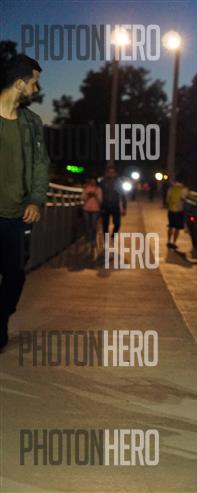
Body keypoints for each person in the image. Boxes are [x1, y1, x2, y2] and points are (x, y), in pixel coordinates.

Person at [0, 54, 49, 350]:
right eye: (34, 83)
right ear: (20, 84)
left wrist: (36, 200)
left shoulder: (32, 122)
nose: (36, 90)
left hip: (18, 216)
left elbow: (41, 164)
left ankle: (1, 317)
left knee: (15, 276)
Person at [100, 166, 127, 236]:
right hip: (105, 206)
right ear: (107, 173)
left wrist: (124, 208)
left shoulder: (119, 183)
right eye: (109, 172)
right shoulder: (103, 182)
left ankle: (113, 234)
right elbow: (99, 193)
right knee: (105, 225)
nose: (111, 174)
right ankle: (106, 239)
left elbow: (123, 195)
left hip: (115, 206)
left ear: (115, 173)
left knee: (117, 223)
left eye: (112, 172)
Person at [80, 177, 102, 259]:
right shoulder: (86, 188)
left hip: (95, 210)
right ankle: (88, 241)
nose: (92, 182)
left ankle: (93, 241)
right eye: (91, 181)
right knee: (87, 226)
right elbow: (82, 198)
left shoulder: (98, 189)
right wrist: (87, 194)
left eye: (94, 181)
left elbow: (101, 200)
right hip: (86, 209)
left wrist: (95, 195)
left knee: (93, 226)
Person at [165, 175, 189, 249]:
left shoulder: (171, 189)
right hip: (179, 211)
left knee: (171, 226)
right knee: (177, 228)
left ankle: (168, 241)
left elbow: (167, 200)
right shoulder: (184, 189)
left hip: (171, 210)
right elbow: (185, 198)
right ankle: (174, 243)